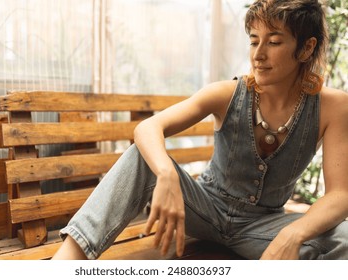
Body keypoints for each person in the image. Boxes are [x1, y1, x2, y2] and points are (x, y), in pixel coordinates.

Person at [52, 0, 348, 260]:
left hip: (264, 228)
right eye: (254, 40)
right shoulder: (226, 94)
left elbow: (340, 194)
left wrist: (292, 234)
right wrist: (167, 175)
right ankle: (64, 263)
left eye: (273, 42)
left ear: (306, 47)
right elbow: (148, 127)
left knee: (343, 237)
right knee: (142, 157)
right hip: (203, 209)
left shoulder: (333, 108)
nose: (258, 54)